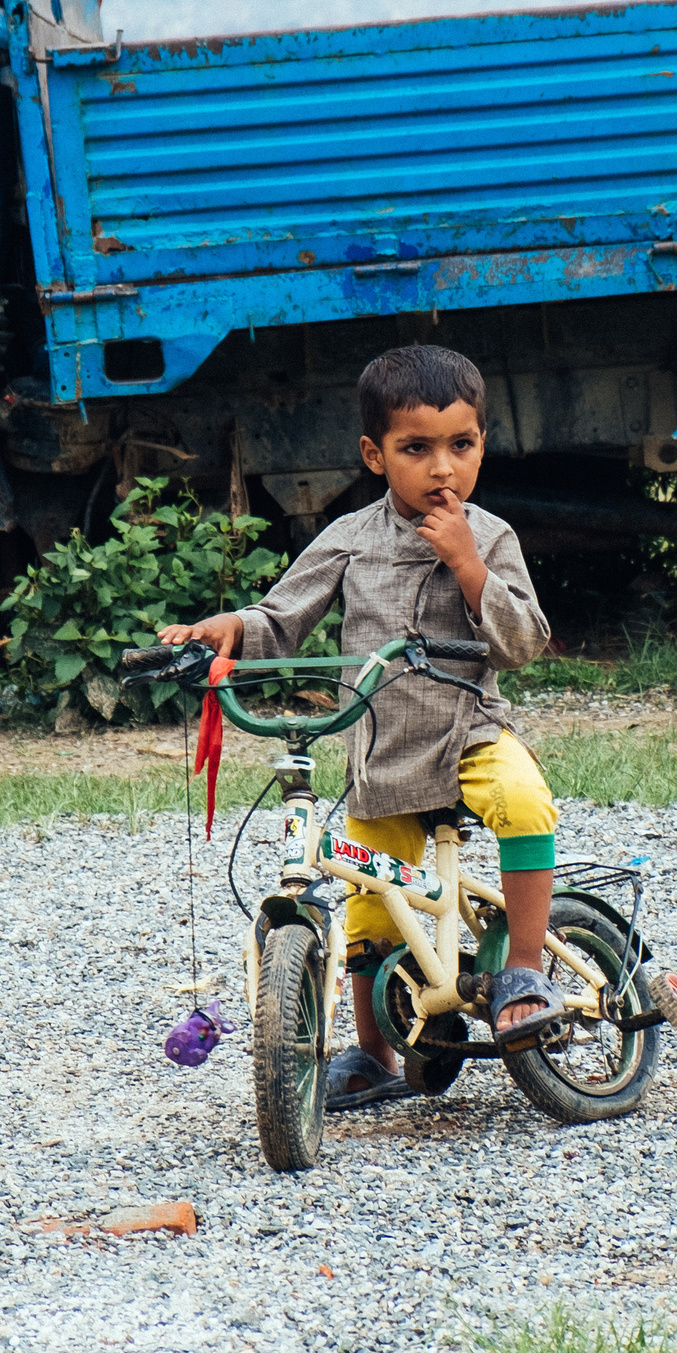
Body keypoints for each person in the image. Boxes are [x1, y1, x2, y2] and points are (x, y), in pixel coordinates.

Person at [156, 343, 558, 1110]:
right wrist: (231, 628)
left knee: (525, 800)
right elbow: (282, 615)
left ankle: (525, 971)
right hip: (382, 751)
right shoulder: (351, 537)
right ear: (376, 455)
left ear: (482, 444)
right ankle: (374, 1053)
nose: (442, 468)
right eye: (417, 448)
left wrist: (469, 566)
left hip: (467, 733)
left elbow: (523, 643)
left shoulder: (490, 536)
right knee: (370, 906)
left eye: (461, 445)